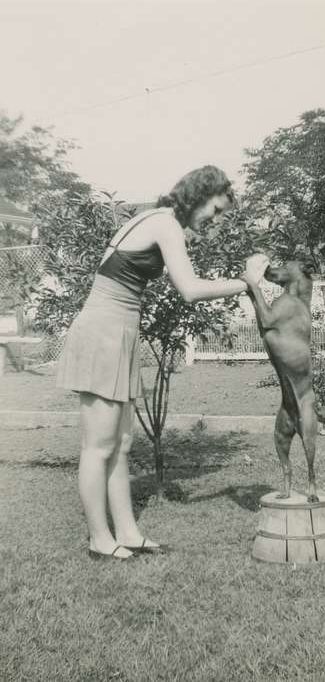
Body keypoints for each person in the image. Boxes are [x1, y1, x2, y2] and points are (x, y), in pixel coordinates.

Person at [56, 165, 269, 561]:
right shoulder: (165, 223)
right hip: (103, 332)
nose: (215, 220)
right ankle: (98, 539)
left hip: (119, 332)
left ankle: (129, 533)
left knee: (120, 444)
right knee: (98, 446)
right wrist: (247, 282)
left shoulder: (160, 221)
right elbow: (189, 289)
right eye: (216, 210)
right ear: (197, 196)